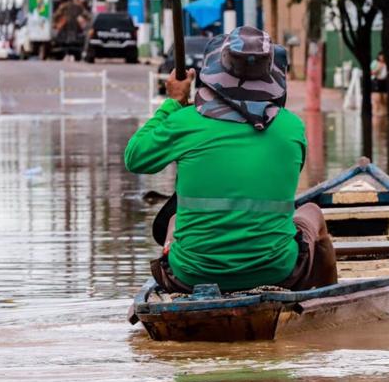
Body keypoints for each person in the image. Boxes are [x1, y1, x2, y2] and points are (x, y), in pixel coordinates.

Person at [124, 26, 338, 294]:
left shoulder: (185, 121)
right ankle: (327, 296)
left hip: (189, 275)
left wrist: (173, 102)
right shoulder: (292, 127)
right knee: (312, 212)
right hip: (279, 270)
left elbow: (135, 157)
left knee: (174, 220)